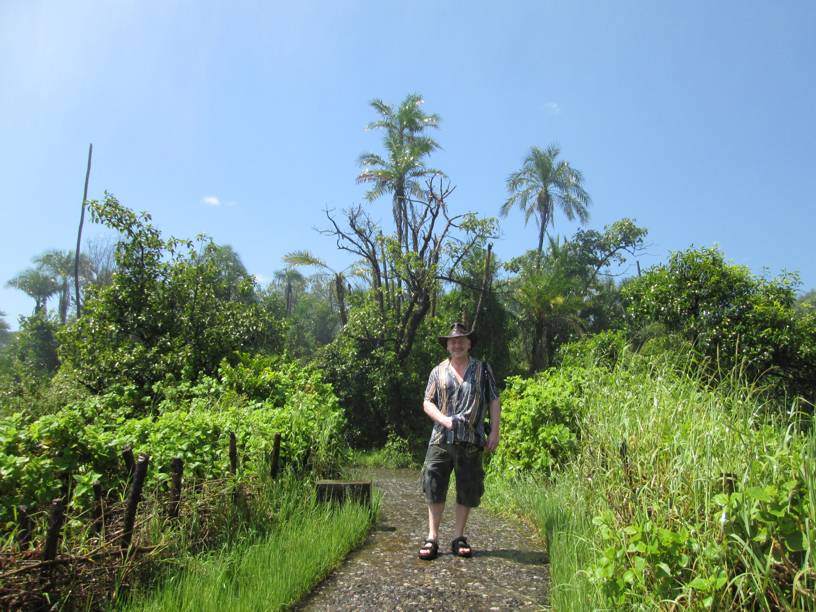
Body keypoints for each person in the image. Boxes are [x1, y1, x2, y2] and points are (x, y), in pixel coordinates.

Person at [418, 322, 501, 560]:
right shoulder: (437, 371)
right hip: (440, 438)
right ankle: (432, 537)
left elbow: (494, 399)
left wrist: (494, 431)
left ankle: (458, 536)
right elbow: (427, 402)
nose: (457, 344)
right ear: (447, 346)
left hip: (471, 439)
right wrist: (444, 420)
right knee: (434, 484)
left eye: (461, 340)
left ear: (469, 344)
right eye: (452, 341)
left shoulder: (483, 369)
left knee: (468, 487)